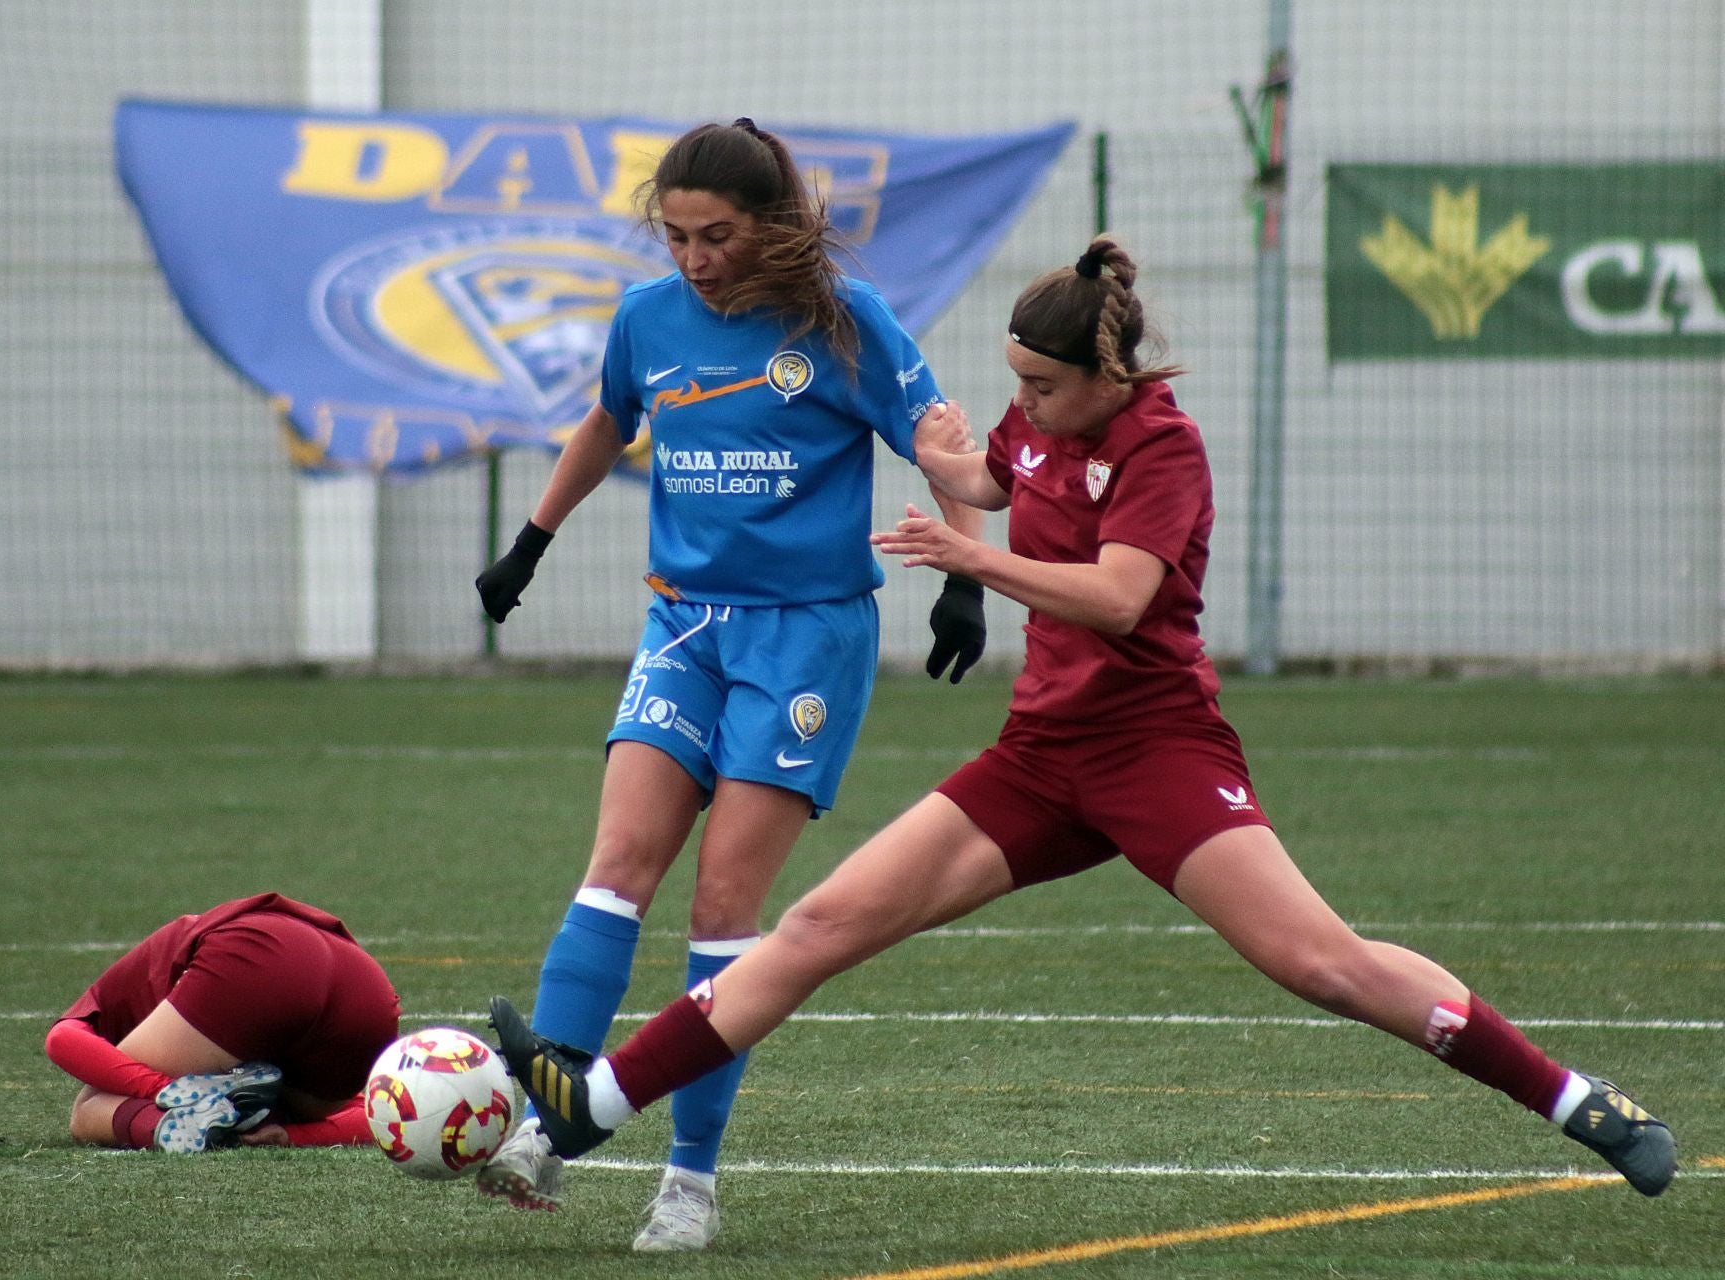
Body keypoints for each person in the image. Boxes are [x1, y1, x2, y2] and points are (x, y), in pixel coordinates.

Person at [487, 236, 1679, 1218]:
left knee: (1325, 964)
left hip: (1158, 754)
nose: (1025, 410)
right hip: (1038, 760)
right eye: (1014, 386)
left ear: (1109, 375)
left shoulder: (1164, 445)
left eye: (1042, 389)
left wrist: (968, 562)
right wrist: (933, 461)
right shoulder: (1036, 423)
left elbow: (1119, 598)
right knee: (816, 927)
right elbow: (983, 471)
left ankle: (1580, 1100)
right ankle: (590, 1107)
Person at [470, 117, 986, 1250]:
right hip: (682, 626)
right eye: (678, 237)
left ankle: (689, 1181)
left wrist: (968, 571)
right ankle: (546, 1136)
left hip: (806, 640)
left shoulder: (846, 327)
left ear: (775, 228)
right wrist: (531, 541)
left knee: (721, 910)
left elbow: (937, 440)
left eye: (718, 236)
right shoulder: (649, 317)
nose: (695, 259)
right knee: (616, 868)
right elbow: (611, 417)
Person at [44, 892, 401, 1153]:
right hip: (368, 992)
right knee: (345, 1108)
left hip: (261, 954)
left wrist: (164, 1090)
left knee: (89, 1109)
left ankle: (194, 1110)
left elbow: (61, 1039)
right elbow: (385, 1118)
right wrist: (291, 1137)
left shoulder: (135, 982)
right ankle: (253, 1115)